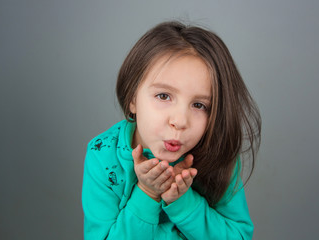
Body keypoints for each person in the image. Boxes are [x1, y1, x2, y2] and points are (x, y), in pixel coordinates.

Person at [82, 21, 261, 240]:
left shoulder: (218, 154)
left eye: (199, 105)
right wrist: (147, 194)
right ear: (132, 98)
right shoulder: (103, 156)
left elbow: (239, 236)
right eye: (164, 96)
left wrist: (183, 202)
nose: (180, 121)